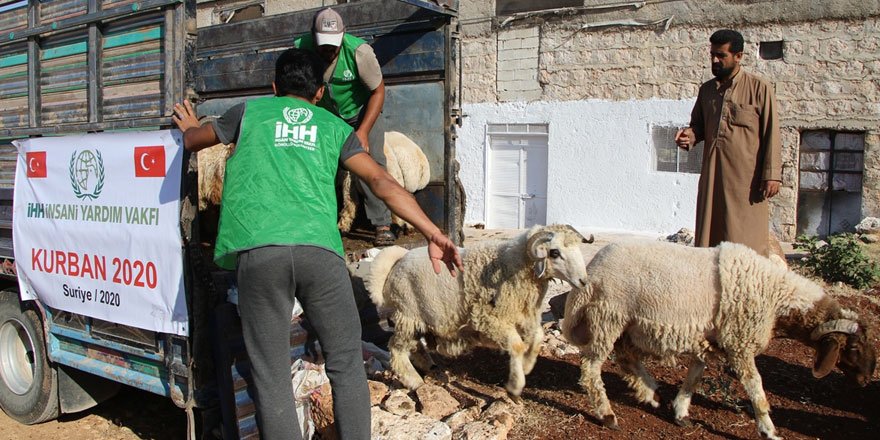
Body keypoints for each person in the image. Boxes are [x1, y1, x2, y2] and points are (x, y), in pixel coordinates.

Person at [171, 48, 463, 440]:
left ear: (275, 88)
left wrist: (191, 124)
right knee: (344, 363)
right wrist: (432, 232)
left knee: (271, 374)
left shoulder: (249, 113)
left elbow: (193, 141)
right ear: (320, 93)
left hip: (260, 253)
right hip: (320, 254)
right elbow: (382, 183)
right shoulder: (335, 128)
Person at [294, 7, 397, 246]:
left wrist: (362, 131)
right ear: (312, 35)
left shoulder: (360, 53)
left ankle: (382, 224)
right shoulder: (301, 49)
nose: (329, 50)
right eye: (323, 44)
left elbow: (378, 91)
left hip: (361, 112)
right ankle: (319, 221)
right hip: (325, 113)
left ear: (343, 35)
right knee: (319, 164)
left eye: (334, 44)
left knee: (369, 165)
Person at [675, 29, 782, 256]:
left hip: (746, 182)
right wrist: (688, 136)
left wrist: (772, 174)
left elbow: (771, 132)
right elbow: (698, 127)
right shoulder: (706, 91)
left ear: (739, 56)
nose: (715, 60)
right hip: (713, 179)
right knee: (710, 242)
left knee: (746, 244)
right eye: (712, 54)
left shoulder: (759, 89)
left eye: (721, 55)